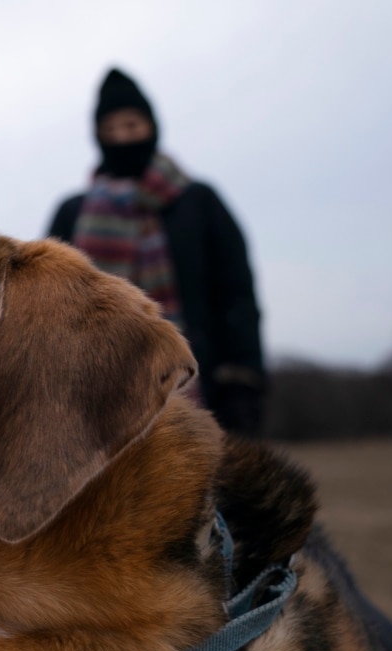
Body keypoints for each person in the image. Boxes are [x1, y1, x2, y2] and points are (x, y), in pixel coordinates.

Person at [47, 68, 266, 437]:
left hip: (200, 383)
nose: (122, 136)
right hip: (95, 400)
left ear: (151, 126)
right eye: (110, 129)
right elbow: (49, 307)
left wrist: (241, 378)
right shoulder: (73, 213)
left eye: (131, 125)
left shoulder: (198, 202)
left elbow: (237, 294)